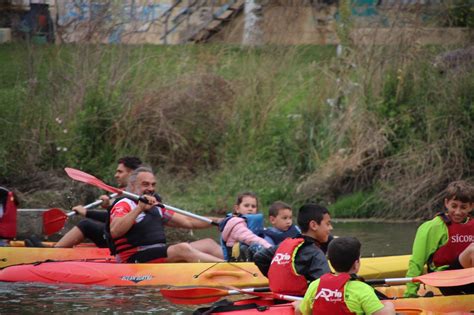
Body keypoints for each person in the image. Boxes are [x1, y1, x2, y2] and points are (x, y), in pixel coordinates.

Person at [107, 166, 224, 263]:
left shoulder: (156, 207)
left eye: (153, 184)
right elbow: (115, 231)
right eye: (145, 184)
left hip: (156, 253)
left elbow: (189, 221)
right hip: (133, 258)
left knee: (208, 244)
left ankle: (239, 263)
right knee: (181, 248)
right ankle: (229, 268)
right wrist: (139, 208)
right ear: (132, 185)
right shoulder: (124, 204)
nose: (151, 188)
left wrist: (218, 221)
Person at [53, 156, 142, 248]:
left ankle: (54, 252)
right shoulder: (130, 192)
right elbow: (116, 217)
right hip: (127, 234)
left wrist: (86, 212)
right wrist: (109, 207)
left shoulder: (135, 195)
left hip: (128, 238)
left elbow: (117, 219)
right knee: (90, 225)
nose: (116, 175)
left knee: (86, 225)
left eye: (120, 172)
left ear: (131, 174)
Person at [404, 180, 474, 297]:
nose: (458, 212)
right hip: (444, 281)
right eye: (454, 206)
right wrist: (410, 293)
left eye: (463, 207)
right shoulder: (433, 227)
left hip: (467, 280)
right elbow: (417, 261)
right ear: (446, 203)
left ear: (471, 207)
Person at [296, 237, 395, 315]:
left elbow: (300, 312)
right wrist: (388, 306)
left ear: (330, 262)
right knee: (388, 305)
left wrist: (297, 305)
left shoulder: (315, 285)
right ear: (356, 264)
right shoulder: (362, 289)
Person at [253, 203, 333, 296]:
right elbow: (328, 288)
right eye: (327, 224)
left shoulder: (284, 245)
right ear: (314, 225)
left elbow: (259, 257)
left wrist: (276, 279)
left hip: (281, 299)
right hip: (299, 302)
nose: (330, 228)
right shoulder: (316, 253)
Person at [219, 192, 272, 261]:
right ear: (237, 208)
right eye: (246, 206)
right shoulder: (236, 224)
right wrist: (270, 249)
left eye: (253, 206)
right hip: (236, 260)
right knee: (252, 246)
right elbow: (250, 238)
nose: (250, 209)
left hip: (250, 257)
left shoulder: (252, 223)